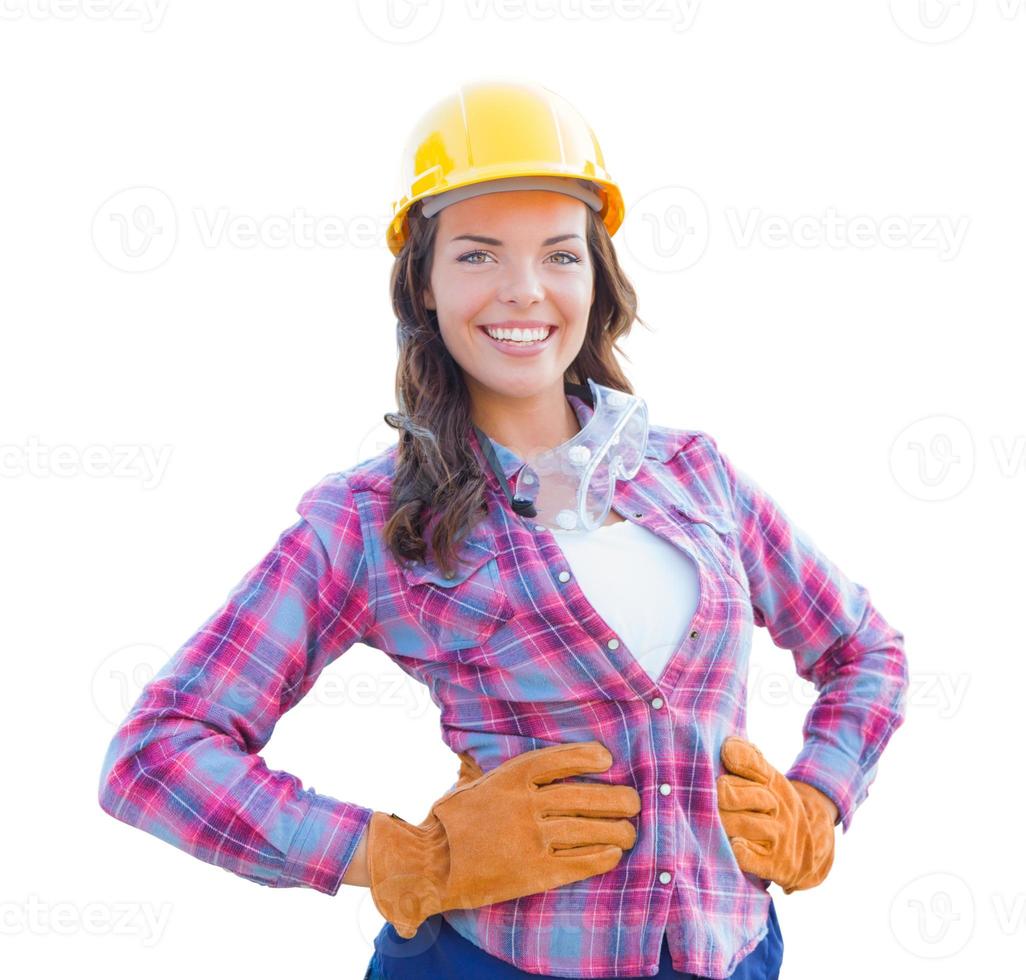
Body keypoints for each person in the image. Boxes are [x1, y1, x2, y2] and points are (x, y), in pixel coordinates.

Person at [97, 80, 909, 980]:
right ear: (425, 282)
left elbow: (866, 649)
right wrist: (401, 857)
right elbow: (157, 753)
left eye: (560, 255)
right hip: (488, 961)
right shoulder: (370, 520)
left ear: (596, 277)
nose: (525, 292)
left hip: (731, 955)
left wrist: (817, 802)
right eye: (479, 256)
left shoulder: (697, 476)